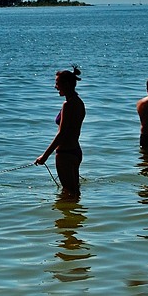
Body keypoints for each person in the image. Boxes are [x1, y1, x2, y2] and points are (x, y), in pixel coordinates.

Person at [35, 66, 86, 198]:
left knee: (68, 194)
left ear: (67, 84)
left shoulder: (67, 105)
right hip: (76, 152)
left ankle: (68, 218)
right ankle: (76, 216)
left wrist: (45, 156)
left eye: (57, 83)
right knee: (75, 192)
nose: (55, 87)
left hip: (65, 154)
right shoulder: (79, 102)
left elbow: (62, 134)